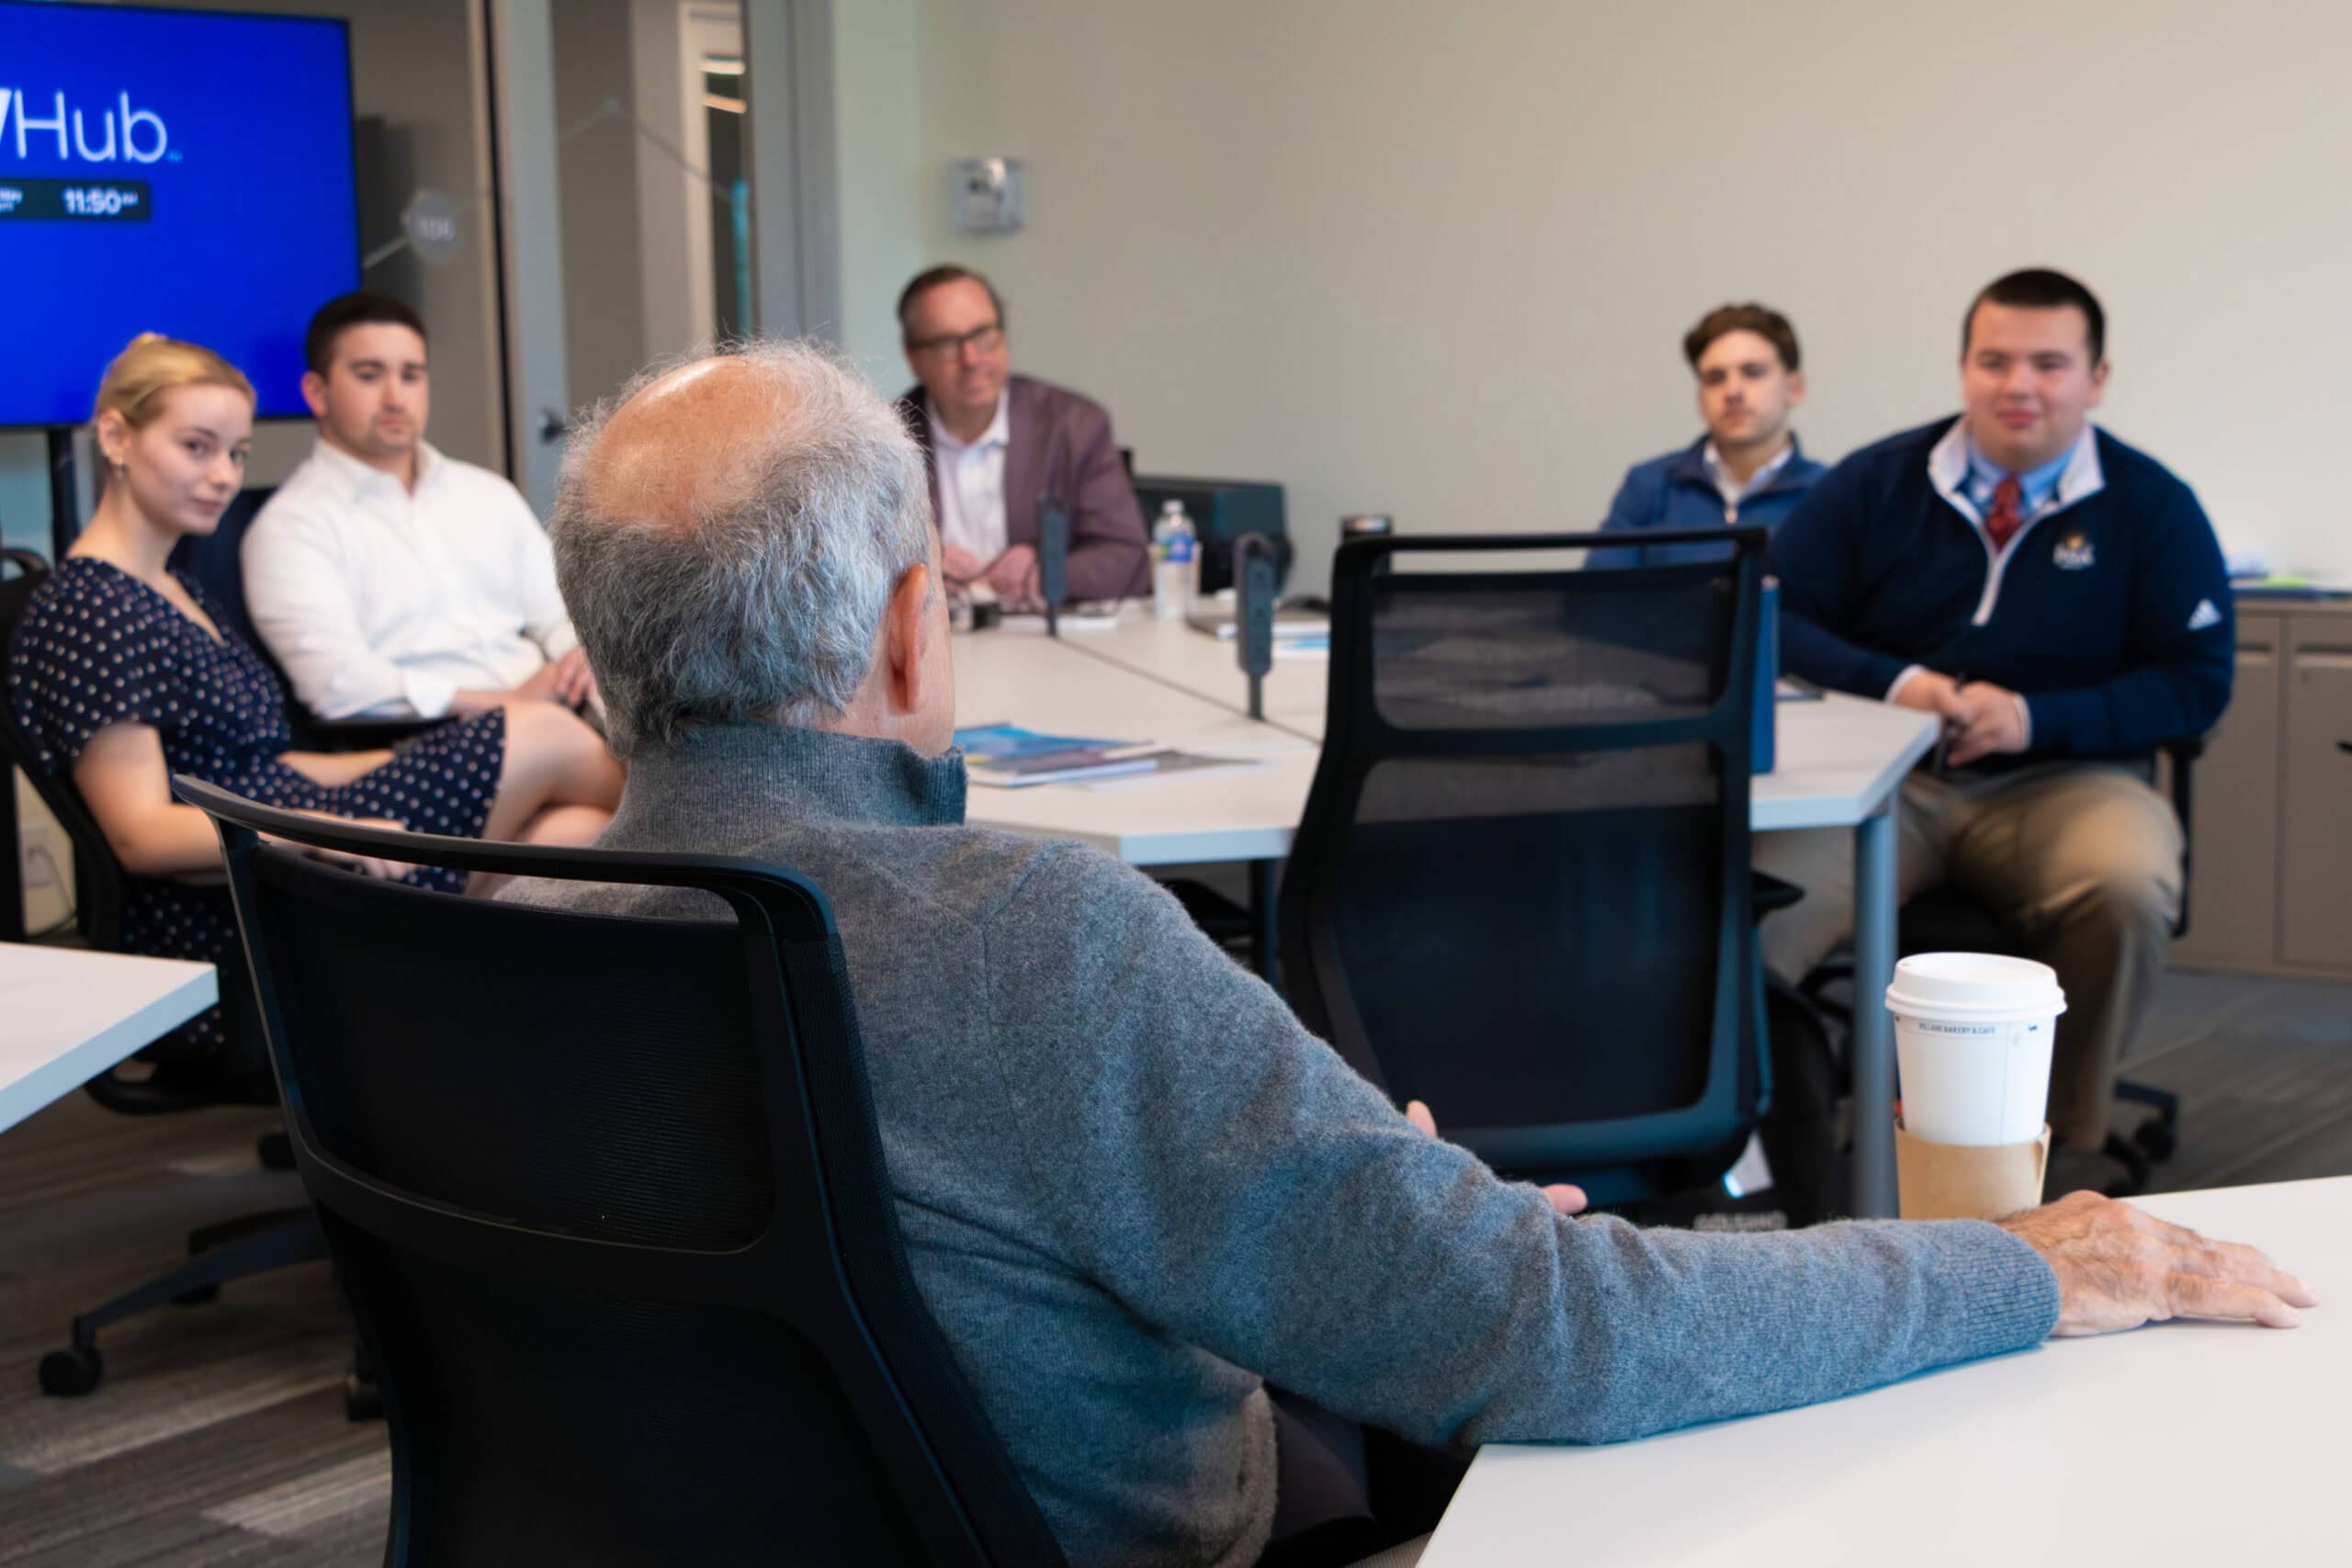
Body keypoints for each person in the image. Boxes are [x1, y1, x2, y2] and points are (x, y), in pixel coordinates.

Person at [501, 338, 2311, 1568]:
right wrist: (2014, 1263)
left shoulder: (512, 930)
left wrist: (1362, 1213)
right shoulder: (1030, 936)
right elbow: (1550, 1336)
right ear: (916, 634)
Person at [6, 334, 622, 1058]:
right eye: (197, 447)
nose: (222, 476)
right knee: (543, 734)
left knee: (574, 829)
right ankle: (707, 852)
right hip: (237, 901)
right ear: (116, 435)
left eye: (235, 453)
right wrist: (326, 832)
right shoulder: (91, 606)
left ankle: (474, 1064)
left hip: (292, 834)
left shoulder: (173, 586)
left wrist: (401, 758)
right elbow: (140, 835)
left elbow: (264, 759)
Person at [1760, 268, 2234, 1160]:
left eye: (2049, 364)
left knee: (2123, 885)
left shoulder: (2152, 506)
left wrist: (2032, 718)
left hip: (2064, 783)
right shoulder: (1877, 482)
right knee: (1751, 900)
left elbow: (2195, 680)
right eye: (1995, 361)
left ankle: (2055, 1153)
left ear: (2095, 379)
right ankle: (1768, 1149)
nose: (2018, 385)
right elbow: (1772, 612)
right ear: (1962, 369)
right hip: (1883, 781)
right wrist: (1901, 683)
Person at [242, 292, 597, 722]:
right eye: (369, 375)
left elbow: (558, 614)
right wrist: (508, 706)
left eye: (411, 375)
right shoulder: (291, 526)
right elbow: (336, 683)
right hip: (423, 739)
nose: (395, 398)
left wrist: (578, 659)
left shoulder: (487, 494)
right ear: (317, 393)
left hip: (554, 711)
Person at [894, 265, 1148, 607]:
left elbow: (1128, 557)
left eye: (983, 335)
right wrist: (919, 569)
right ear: (913, 359)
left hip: (1041, 642)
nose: (972, 359)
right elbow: (849, 570)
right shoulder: (886, 440)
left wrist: (1045, 572)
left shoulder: (1073, 425)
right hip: (934, 643)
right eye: (946, 344)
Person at [1588, 303, 1825, 568]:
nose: (1733, 391)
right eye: (1715, 378)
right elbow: (1597, 601)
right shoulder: (1649, 486)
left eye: (1753, 372)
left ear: (1795, 387)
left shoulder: (1828, 494)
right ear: (1700, 398)